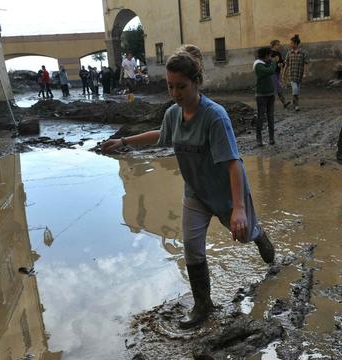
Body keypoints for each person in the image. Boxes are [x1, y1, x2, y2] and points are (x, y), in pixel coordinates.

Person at [101, 45, 275, 329]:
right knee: (192, 248)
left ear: (197, 82)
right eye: (170, 86)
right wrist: (124, 142)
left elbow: (234, 164)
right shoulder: (173, 113)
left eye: (181, 87)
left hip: (225, 192)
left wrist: (239, 210)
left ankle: (259, 235)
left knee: (244, 234)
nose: (175, 93)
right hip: (195, 192)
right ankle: (203, 305)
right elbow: (162, 135)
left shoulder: (215, 117)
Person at [254, 47, 277, 146]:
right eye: (269, 55)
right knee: (261, 117)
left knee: (270, 117)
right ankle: (259, 139)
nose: (270, 57)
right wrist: (273, 63)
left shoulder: (266, 63)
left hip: (271, 93)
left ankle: (271, 138)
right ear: (265, 55)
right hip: (262, 95)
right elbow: (269, 71)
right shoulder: (258, 65)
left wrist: (272, 63)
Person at [282, 34, 309, 112]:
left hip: (299, 74)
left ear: (296, 44)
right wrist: (284, 73)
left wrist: (305, 73)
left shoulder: (303, 53)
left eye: (291, 43)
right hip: (291, 74)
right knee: (295, 89)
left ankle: (295, 102)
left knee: (297, 90)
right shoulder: (289, 53)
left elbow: (305, 63)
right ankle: (296, 105)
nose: (290, 44)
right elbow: (286, 64)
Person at [270, 40, 291, 109]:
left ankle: (284, 103)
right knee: (277, 88)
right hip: (272, 73)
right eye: (278, 44)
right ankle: (283, 103)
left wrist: (282, 64)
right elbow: (269, 62)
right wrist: (276, 63)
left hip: (277, 72)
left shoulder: (278, 53)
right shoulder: (270, 53)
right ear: (274, 45)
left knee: (277, 88)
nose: (279, 46)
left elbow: (281, 61)